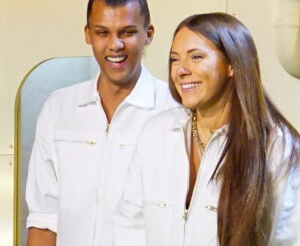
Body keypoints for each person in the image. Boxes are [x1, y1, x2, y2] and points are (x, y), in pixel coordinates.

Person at [114, 13, 300, 246]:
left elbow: (288, 240)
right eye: (175, 59)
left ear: (232, 65)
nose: (181, 70)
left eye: (196, 57)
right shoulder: (156, 133)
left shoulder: (276, 147)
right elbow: (130, 227)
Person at [25, 0, 176, 246]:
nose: (115, 45)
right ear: (88, 34)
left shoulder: (173, 112)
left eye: (127, 32)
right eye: (102, 33)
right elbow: (44, 219)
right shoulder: (58, 109)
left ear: (149, 34)